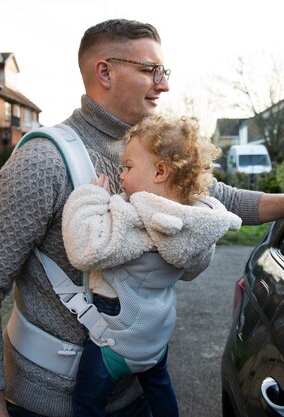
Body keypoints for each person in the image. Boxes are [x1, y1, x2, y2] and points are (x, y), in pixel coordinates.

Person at [0, 18, 284, 417]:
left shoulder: (148, 148)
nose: (163, 84)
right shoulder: (39, 163)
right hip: (50, 403)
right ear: (105, 72)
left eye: (163, 72)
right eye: (151, 70)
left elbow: (224, 198)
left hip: (135, 393)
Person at [63, 114, 241, 416]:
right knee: (160, 391)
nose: (120, 174)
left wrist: (89, 198)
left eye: (128, 166)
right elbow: (192, 270)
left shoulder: (132, 219)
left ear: (159, 171)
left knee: (87, 404)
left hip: (114, 340)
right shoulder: (197, 223)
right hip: (155, 339)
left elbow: (84, 249)